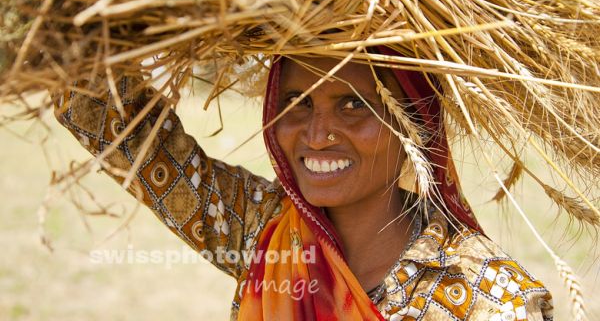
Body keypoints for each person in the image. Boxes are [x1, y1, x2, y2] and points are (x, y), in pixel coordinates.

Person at [53, 52, 553, 320]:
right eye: (299, 103)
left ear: (414, 125)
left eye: (354, 104)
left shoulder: (494, 301)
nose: (316, 135)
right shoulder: (263, 231)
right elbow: (116, 127)